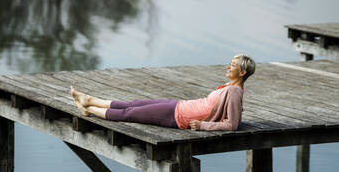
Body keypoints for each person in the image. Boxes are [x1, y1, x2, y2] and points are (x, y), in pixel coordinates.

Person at [71, 54, 255, 131]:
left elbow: (232, 124)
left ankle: (89, 110)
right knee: (133, 104)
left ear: (243, 72)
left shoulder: (234, 92)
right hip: (179, 105)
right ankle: (89, 99)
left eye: (233, 65)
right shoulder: (229, 85)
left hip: (178, 117)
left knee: (130, 114)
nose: (228, 67)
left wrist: (202, 126)